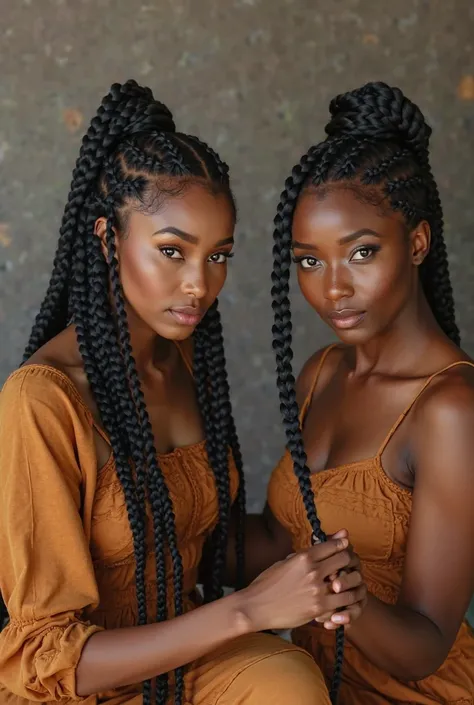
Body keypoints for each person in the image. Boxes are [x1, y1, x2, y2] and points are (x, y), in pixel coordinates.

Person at [0, 79, 367, 705]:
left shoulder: (190, 362)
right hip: (83, 685)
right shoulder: (44, 400)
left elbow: (199, 542)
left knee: (289, 681)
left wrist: (314, 566)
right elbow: (46, 656)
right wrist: (249, 609)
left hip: (188, 663)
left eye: (218, 255)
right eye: (173, 251)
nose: (200, 284)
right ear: (108, 238)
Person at [264, 81, 474, 703]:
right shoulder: (322, 373)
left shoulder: (451, 409)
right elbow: (284, 543)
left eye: (360, 252)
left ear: (416, 242)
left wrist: (350, 599)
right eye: (309, 261)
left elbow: (427, 643)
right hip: (312, 689)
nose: (333, 289)